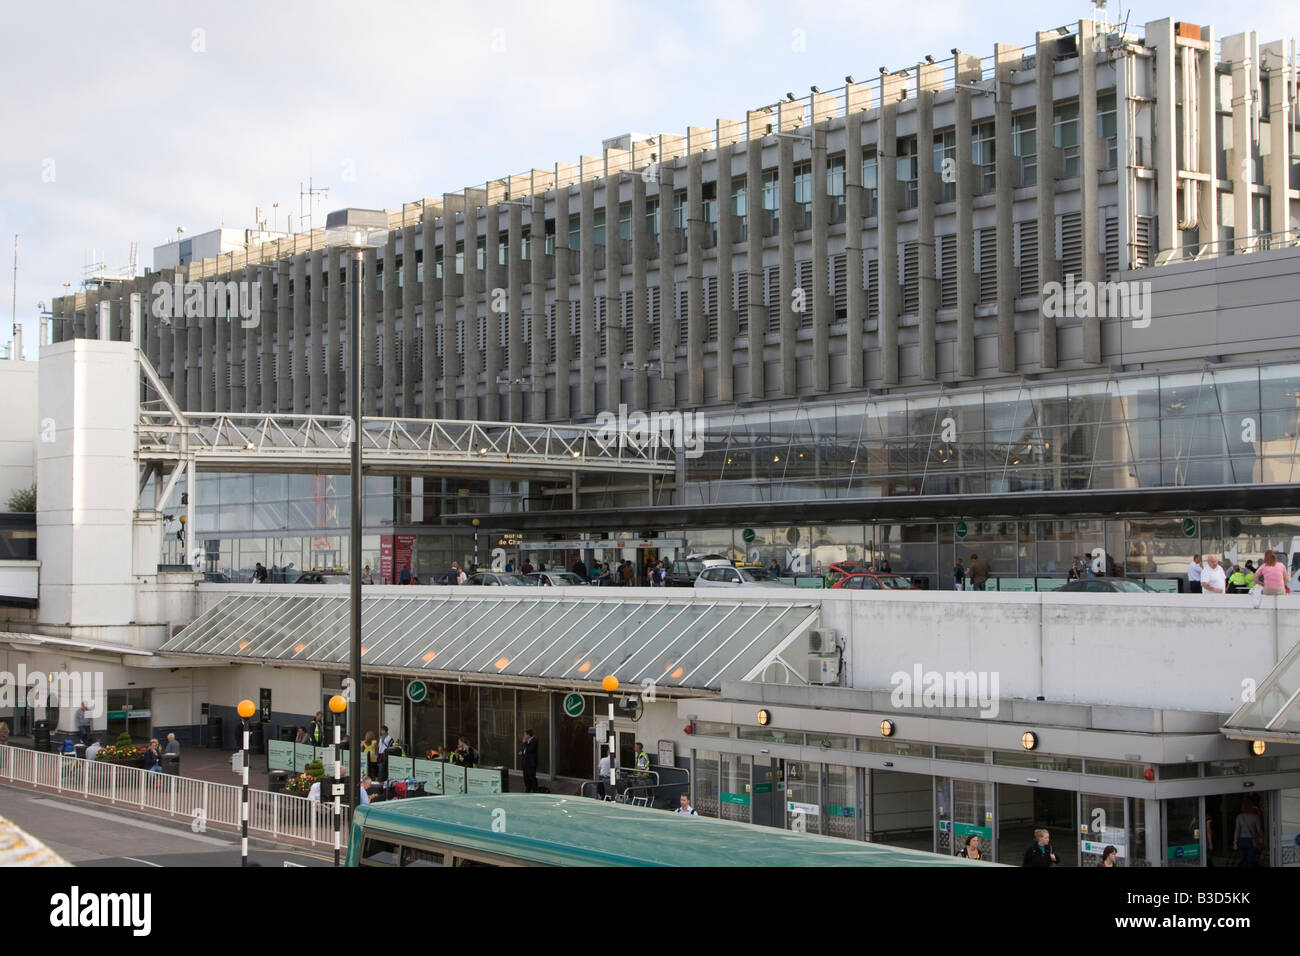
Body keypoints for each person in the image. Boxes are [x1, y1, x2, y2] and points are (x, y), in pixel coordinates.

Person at [1232, 800, 1264, 866]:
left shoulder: (1239, 817)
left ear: (1243, 807)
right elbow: (1259, 830)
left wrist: (1235, 842)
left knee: (1244, 858)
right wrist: (1262, 837)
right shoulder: (1255, 817)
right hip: (1251, 841)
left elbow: (1237, 830)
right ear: (1251, 807)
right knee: (1251, 859)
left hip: (1242, 841)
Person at [519, 729, 539, 793]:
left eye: (525, 734)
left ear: (528, 735)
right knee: (526, 777)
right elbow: (525, 750)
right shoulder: (527, 741)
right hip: (525, 762)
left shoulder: (534, 740)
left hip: (531, 763)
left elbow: (530, 750)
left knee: (532, 777)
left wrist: (525, 743)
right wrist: (522, 752)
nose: (524, 736)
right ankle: (528, 789)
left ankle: (535, 790)